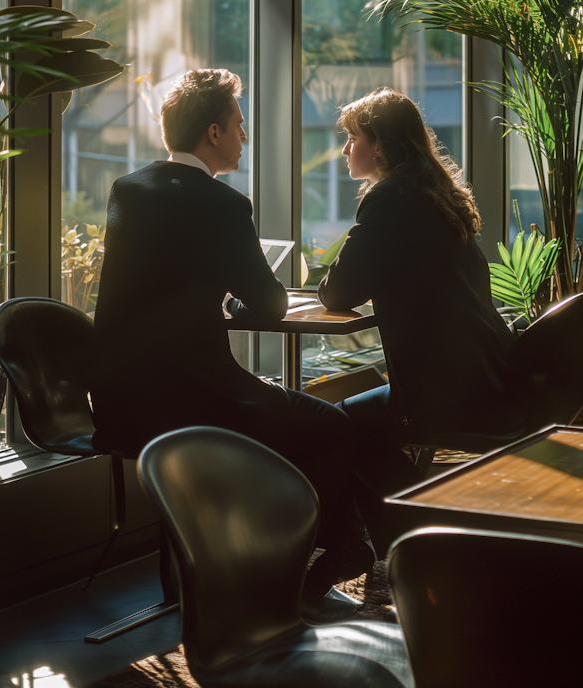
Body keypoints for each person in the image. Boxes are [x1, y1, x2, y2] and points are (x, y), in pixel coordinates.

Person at [92, 68, 373, 616]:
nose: (245, 136)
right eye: (239, 125)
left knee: (286, 414)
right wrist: (237, 302)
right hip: (194, 400)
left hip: (122, 405)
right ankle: (330, 554)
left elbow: (152, 290)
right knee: (331, 427)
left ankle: (289, 556)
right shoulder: (221, 204)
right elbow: (268, 304)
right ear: (214, 133)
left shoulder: (129, 189)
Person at [319, 87, 519, 497]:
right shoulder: (436, 194)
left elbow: (337, 293)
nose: (345, 150)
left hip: (441, 393)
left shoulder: (390, 199)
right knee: (358, 419)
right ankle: (415, 521)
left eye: (353, 137)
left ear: (380, 146)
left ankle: (409, 528)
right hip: (487, 375)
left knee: (341, 425)